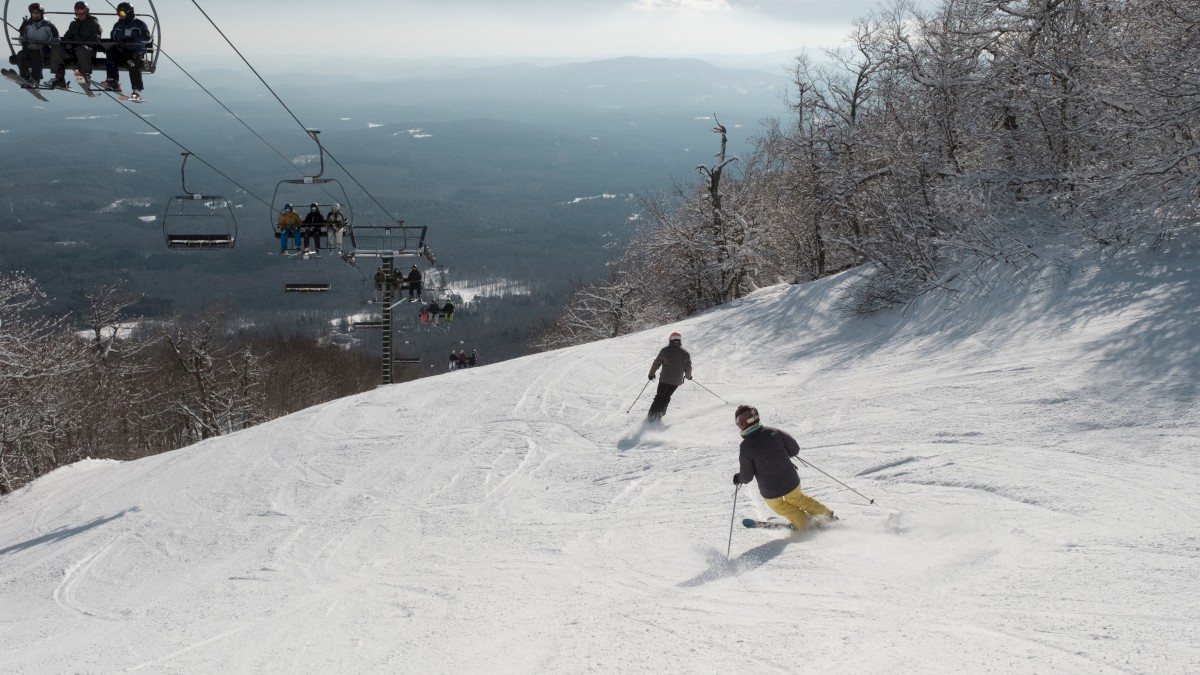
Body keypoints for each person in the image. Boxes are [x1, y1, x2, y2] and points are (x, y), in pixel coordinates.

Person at [731, 405, 835, 531]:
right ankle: (827, 516)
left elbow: (747, 476)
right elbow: (794, 449)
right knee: (799, 499)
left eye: (740, 421)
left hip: (770, 490)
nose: (740, 423)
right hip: (790, 480)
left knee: (780, 506)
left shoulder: (746, 447)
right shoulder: (774, 432)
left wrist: (739, 478)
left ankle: (804, 524)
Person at [101, 2, 150, 100]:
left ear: (129, 13)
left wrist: (132, 41)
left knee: (133, 62)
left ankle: (137, 89)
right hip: (122, 52)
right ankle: (113, 80)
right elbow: (113, 38)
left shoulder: (139, 24)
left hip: (135, 52)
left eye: (122, 13)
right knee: (111, 53)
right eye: (118, 14)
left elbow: (147, 39)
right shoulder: (118, 25)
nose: (120, 16)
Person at [48, 2, 101, 89]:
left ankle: (85, 75)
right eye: (77, 11)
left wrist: (81, 41)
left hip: (87, 53)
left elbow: (96, 39)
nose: (79, 14)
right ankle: (59, 78)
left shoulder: (93, 23)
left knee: (82, 49)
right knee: (56, 48)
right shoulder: (73, 24)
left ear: (86, 11)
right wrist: (68, 44)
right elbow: (66, 37)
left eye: (81, 11)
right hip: (73, 52)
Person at [646, 331, 691, 421]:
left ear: (670, 339)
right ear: (679, 341)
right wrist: (688, 376)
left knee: (659, 396)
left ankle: (651, 416)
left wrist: (651, 374)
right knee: (667, 396)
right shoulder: (685, 353)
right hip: (676, 381)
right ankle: (660, 413)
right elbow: (688, 367)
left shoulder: (664, 351)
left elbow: (656, 363)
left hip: (664, 379)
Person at [15, 4, 59, 86]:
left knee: (36, 56)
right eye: (33, 13)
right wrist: (23, 42)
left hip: (43, 49)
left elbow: (56, 40)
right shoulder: (27, 25)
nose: (35, 15)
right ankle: (24, 76)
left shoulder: (48, 25)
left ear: (41, 13)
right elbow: (21, 37)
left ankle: (35, 79)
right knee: (21, 55)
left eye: (37, 13)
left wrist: (45, 43)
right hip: (29, 49)